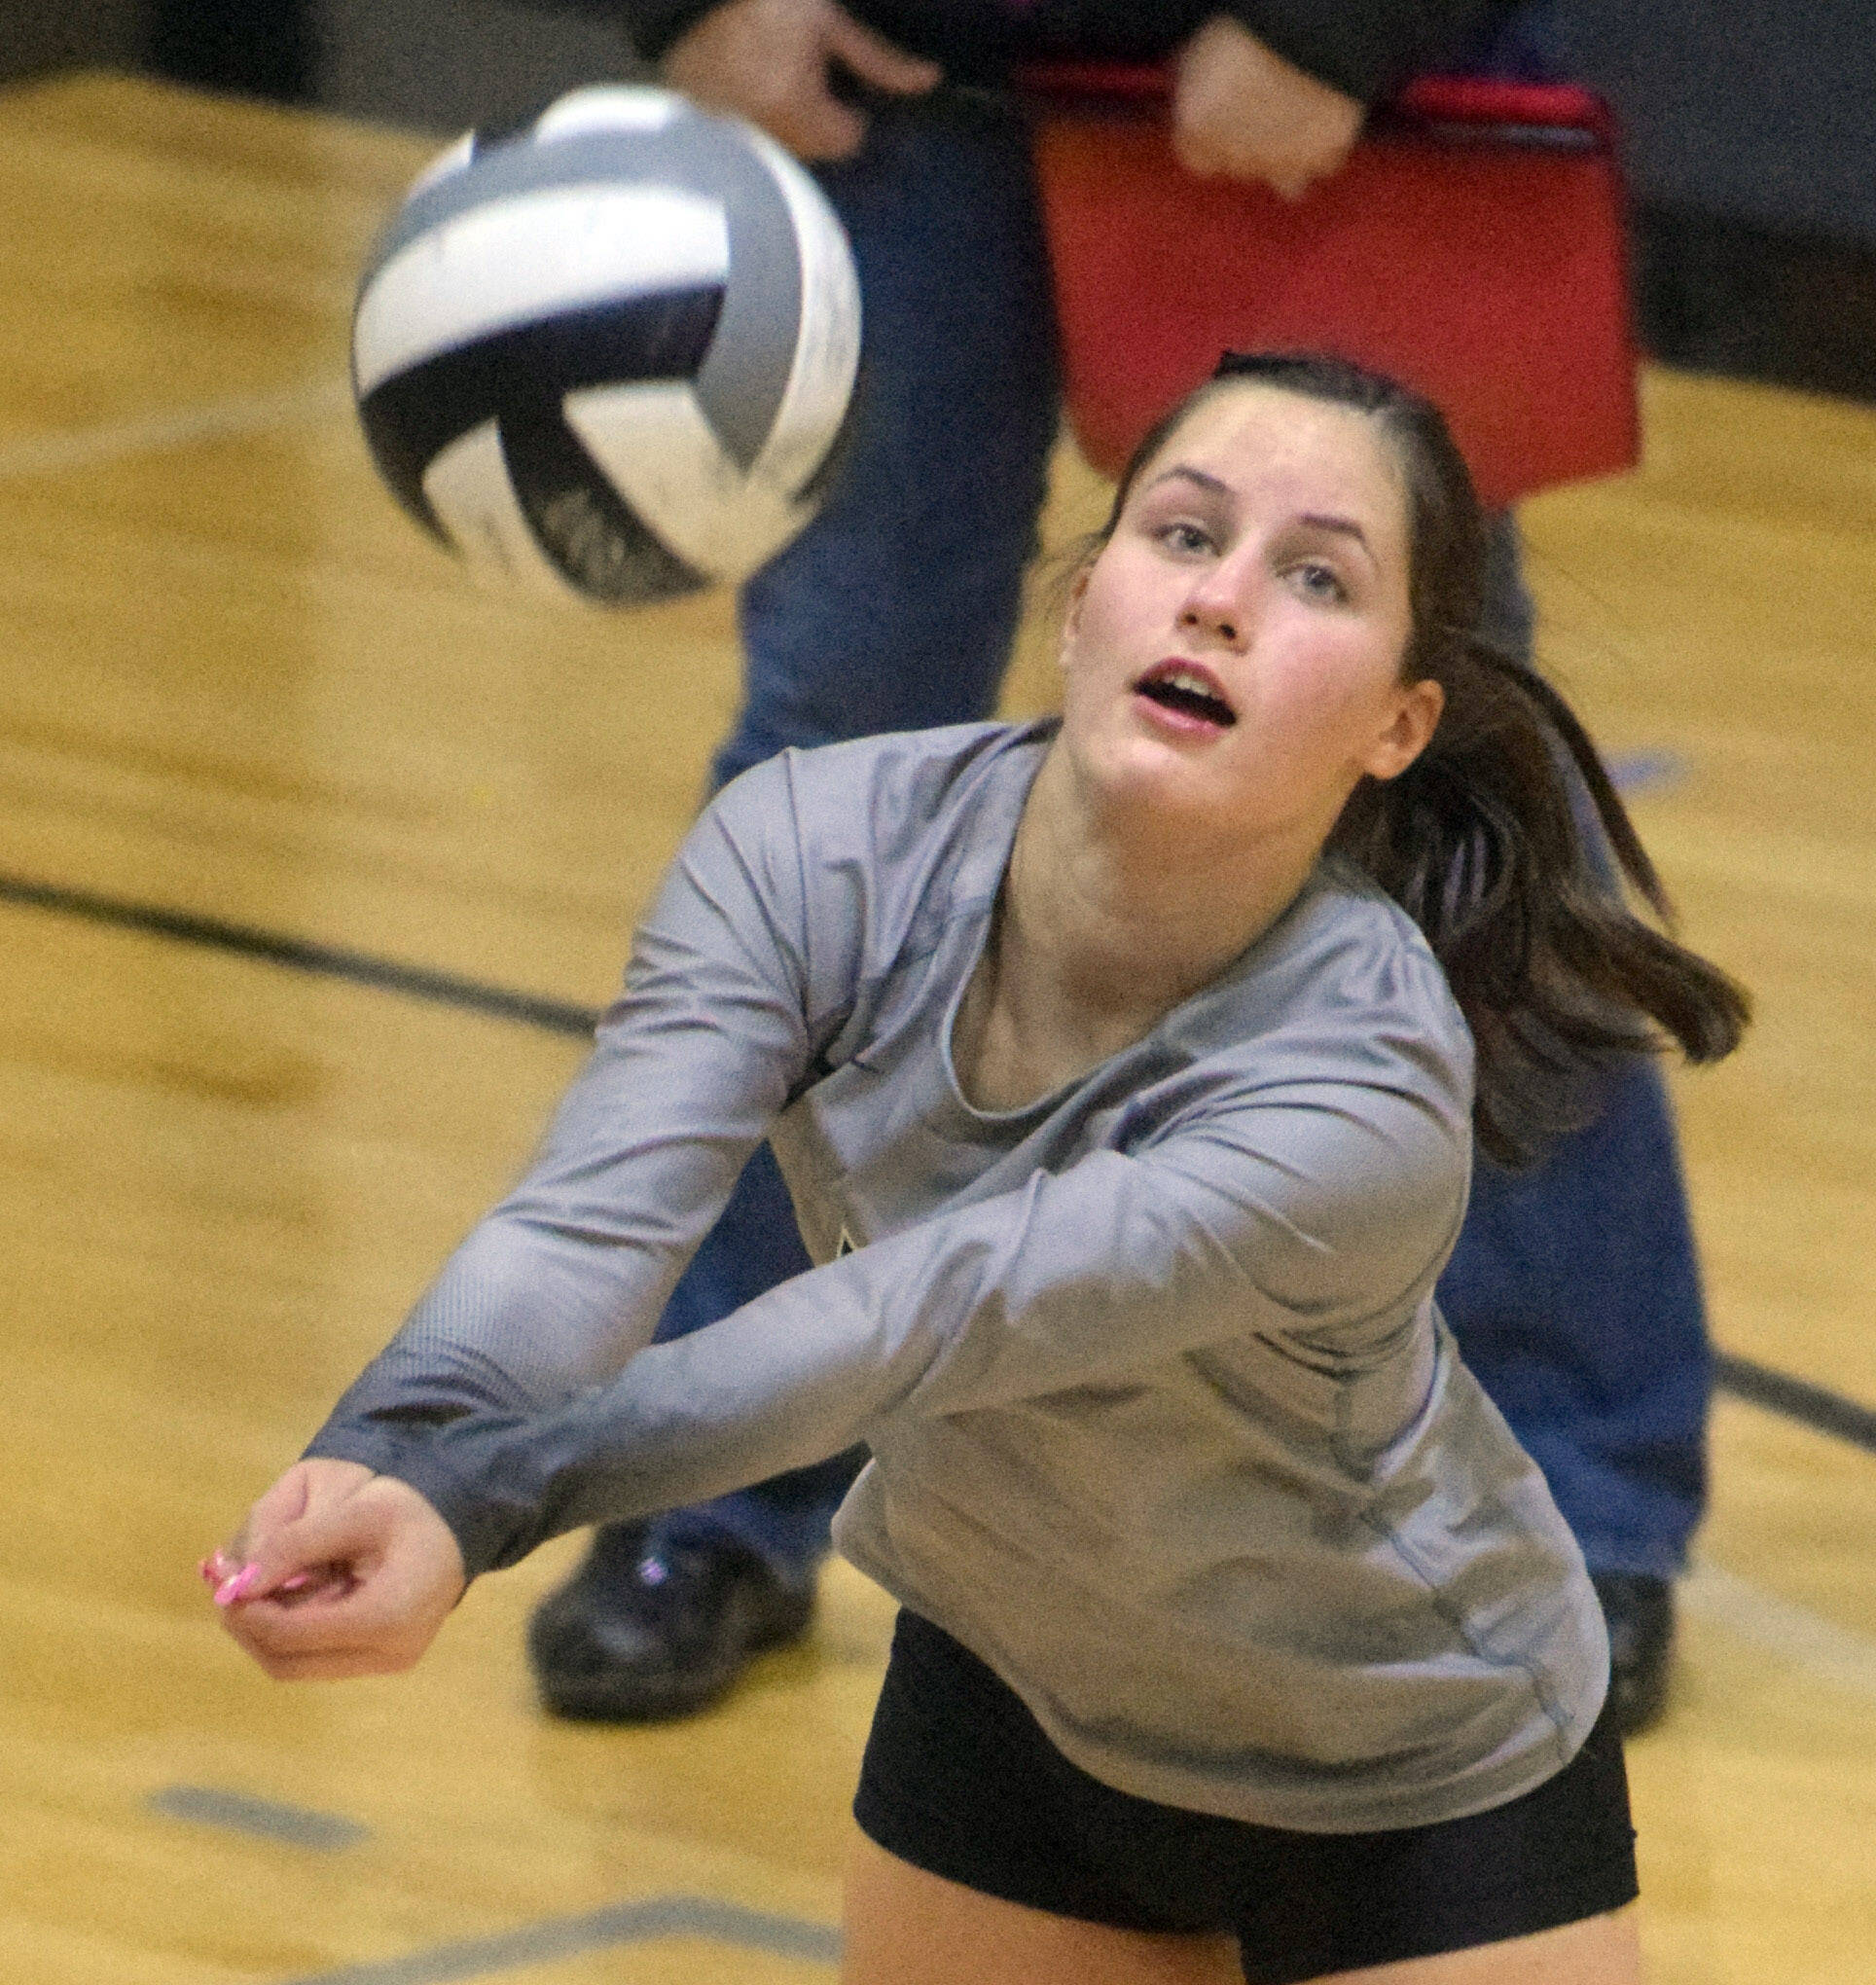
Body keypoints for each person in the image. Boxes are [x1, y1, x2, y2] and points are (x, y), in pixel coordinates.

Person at [210, 355, 1748, 1983]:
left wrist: (483, 1497)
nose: (1221, 600)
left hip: (1405, 1766)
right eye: (1182, 533)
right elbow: (583, 1227)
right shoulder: (812, 852)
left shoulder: (1354, 1090)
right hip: (1014, 1688)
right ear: (1086, 601)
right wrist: (394, 1448)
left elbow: (915, 1317)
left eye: (1315, 577)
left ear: (1397, 723)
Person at [510, 0, 1711, 1739]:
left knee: (1439, 766)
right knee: (825, 758)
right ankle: (707, 1484)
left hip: (1303, 101)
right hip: (894, 101)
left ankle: (1579, 1497)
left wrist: (1335, 22)